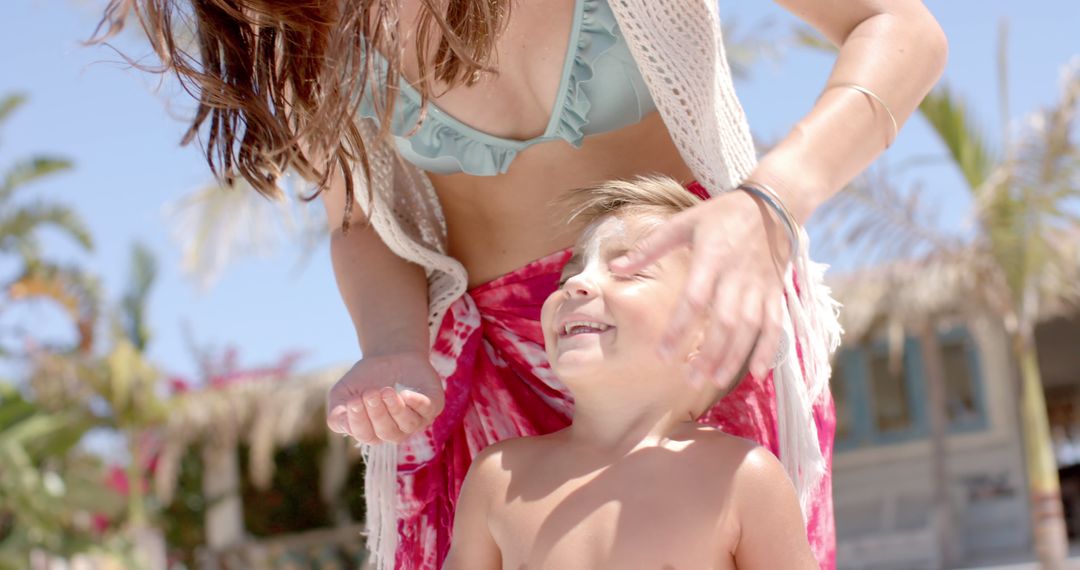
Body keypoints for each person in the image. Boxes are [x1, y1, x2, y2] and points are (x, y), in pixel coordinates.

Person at [92, 1, 948, 568]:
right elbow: (358, 223)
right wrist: (393, 343)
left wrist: (768, 202)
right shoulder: (307, 29)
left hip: (694, 329)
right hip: (488, 370)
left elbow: (898, 27)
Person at [443, 175, 818, 570]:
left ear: (709, 333)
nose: (578, 285)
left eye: (626, 271)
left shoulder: (742, 479)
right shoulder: (499, 479)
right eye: (568, 276)